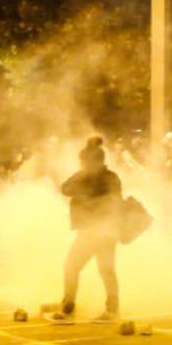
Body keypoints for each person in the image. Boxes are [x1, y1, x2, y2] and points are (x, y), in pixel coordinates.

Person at [54, 138, 122, 323]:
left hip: (101, 230)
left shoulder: (107, 178)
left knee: (93, 268)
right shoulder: (89, 177)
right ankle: (72, 305)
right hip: (94, 230)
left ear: (96, 161)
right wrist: (82, 174)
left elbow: (113, 202)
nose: (82, 165)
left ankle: (72, 306)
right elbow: (65, 189)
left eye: (84, 162)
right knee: (101, 269)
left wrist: (91, 202)